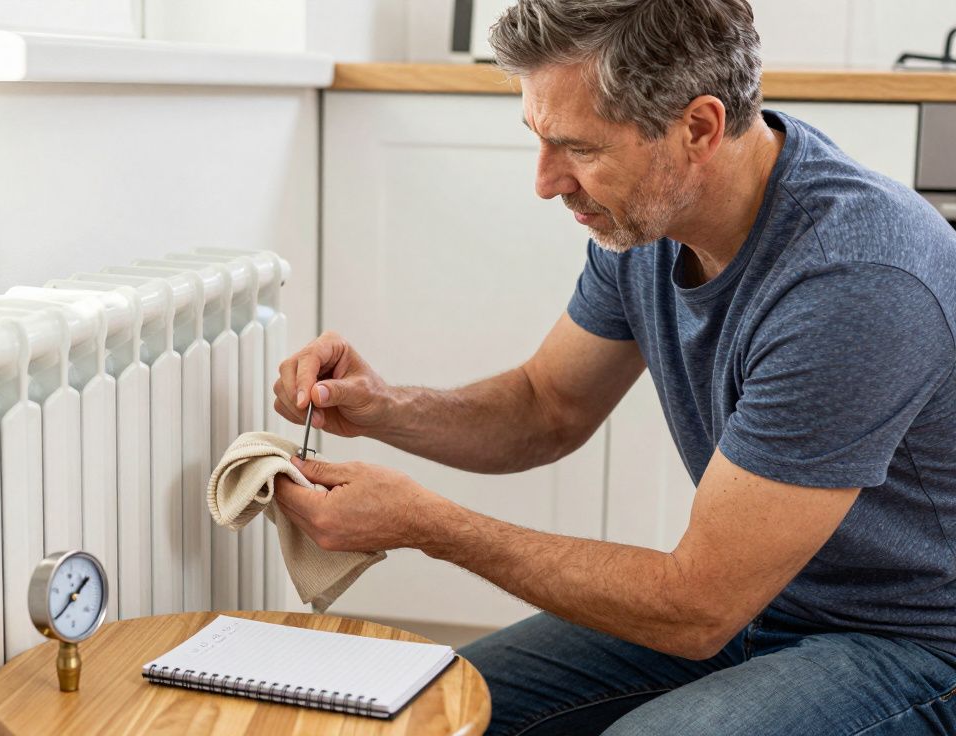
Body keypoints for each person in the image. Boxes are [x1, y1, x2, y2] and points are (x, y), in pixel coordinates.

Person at [269, 0, 956, 733]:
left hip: (912, 643)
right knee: (428, 709)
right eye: (538, 139)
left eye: (580, 149)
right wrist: (383, 407)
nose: (545, 181)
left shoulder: (852, 280)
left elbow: (695, 608)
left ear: (698, 128)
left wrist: (427, 524)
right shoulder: (649, 221)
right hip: (760, 604)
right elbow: (546, 407)